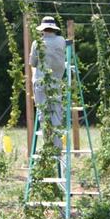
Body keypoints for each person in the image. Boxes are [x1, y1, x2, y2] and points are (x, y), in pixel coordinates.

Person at [29, 16, 66, 147]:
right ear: (54, 28)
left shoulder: (37, 43)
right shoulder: (61, 41)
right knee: (56, 112)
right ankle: (57, 146)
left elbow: (32, 63)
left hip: (40, 82)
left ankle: (47, 145)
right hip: (56, 82)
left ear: (43, 30)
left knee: (43, 113)